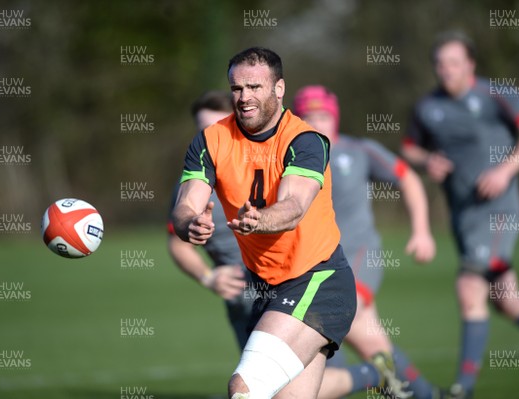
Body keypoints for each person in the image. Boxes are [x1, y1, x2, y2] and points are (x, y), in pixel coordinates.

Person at [172, 47, 357, 399]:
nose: (244, 98)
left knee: (244, 389)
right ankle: (368, 375)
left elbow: (294, 206)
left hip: (317, 281)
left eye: (255, 87)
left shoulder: (305, 141)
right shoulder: (211, 139)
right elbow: (185, 205)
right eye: (237, 89)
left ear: (279, 88)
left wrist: (260, 219)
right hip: (265, 287)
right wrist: (190, 224)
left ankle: (368, 373)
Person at [400, 31, 519, 399]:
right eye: (440, 64)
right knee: (505, 298)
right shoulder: (428, 107)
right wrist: (428, 160)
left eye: (454, 62)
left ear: (470, 64)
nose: (447, 71)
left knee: (469, 287)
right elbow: (409, 148)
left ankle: (464, 389)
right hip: (463, 216)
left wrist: (506, 170)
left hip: (498, 211)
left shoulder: (496, 96)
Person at [293, 85, 440, 399]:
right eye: (308, 117)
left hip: (358, 255)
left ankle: (378, 381)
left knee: (336, 317)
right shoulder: (292, 160)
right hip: (314, 264)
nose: (317, 123)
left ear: (335, 118)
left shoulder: (359, 151)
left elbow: (409, 178)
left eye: (323, 116)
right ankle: (419, 393)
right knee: (373, 344)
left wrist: (422, 230)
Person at [167, 90, 252, 350]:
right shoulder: (190, 189)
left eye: (218, 127)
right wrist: (208, 277)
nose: (210, 136)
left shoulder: (271, 166)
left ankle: (372, 373)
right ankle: (374, 373)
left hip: (291, 289)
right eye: (202, 130)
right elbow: (179, 245)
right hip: (242, 300)